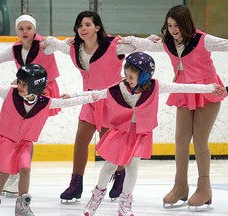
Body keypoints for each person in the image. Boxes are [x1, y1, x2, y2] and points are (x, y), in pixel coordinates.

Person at [77, 52, 217, 216]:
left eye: (131, 76)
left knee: (133, 166)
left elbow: (184, 87)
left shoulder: (156, 87)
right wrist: (72, 96)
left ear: (144, 77)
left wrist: (211, 88)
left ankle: (125, 202)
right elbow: (96, 94)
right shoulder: (119, 88)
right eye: (126, 75)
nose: (127, 79)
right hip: (120, 132)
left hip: (140, 133)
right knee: (110, 166)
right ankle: (95, 198)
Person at [118, 5, 228, 210]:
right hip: (183, 91)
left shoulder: (204, 40)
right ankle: (180, 186)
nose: (173, 30)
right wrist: (128, 40)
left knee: (200, 140)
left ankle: (204, 188)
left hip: (207, 92)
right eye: (169, 25)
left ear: (186, 23)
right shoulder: (168, 43)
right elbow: (147, 44)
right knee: (181, 140)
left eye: (176, 25)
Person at [41, 10, 158, 202]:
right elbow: (55, 43)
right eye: (80, 26)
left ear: (97, 27)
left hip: (112, 103)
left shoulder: (114, 47)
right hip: (89, 100)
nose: (83, 29)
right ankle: (75, 184)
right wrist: (45, 40)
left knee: (111, 147)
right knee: (80, 141)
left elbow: (139, 46)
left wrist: (150, 39)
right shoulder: (75, 48)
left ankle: (119, 178)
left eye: (87, 24)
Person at [0, 63, 101, 216]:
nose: (19, 86)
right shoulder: (9, 93)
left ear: (35, 86)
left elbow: (66, 103)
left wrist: (91, 98)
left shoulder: (45, 103)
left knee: (25, 170)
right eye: (19, 82)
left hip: (25, 144)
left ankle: (22, 206)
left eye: (24, 84)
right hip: (7, 141)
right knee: (4, 172)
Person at [0, 13, 61, 196]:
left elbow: (62, 47)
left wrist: (73, 44)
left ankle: (18, 173)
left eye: (29, 28)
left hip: (44, 91)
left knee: (27, 134)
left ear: (35, 30)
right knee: (20, 132)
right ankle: (15, 170)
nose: (25, 31)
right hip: (24, 90)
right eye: (21, 28)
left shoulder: (44, 45)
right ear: (16, 31)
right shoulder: (16, 49)